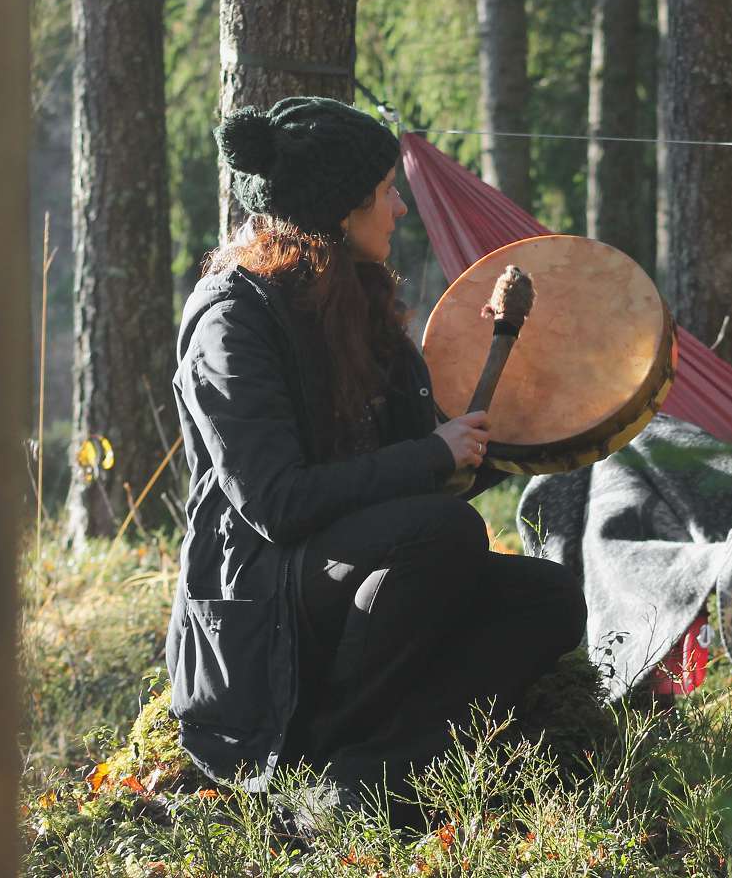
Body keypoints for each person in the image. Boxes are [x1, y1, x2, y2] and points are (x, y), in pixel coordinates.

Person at [166, 97, 587, 824]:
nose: (398, 209)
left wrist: (526, 425)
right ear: (339, 210)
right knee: (444, 534)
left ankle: (376, 767)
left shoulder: (355, 298)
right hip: (260, 613)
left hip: (344, 579)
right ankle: (322, 762)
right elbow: (277, 504)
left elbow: (426, 470)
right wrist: (431, 455)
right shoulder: (230, 321)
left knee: (547, 599)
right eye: (385, 193)